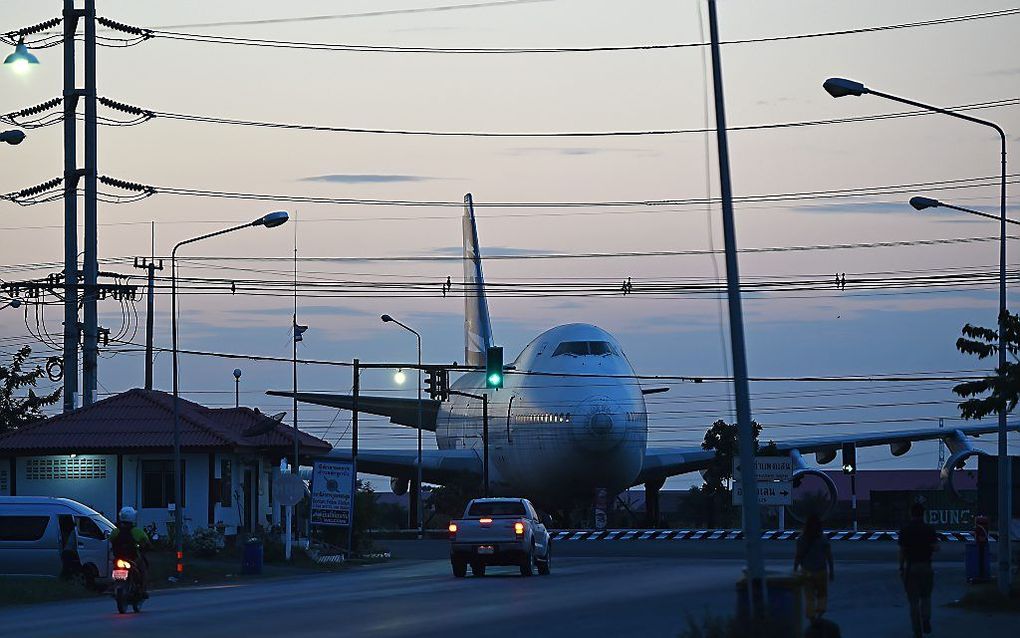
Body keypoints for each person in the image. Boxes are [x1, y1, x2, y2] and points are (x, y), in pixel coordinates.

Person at [899, 502, 938, 637]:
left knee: (913, 601)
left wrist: (901, 568)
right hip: (926, 566)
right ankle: (926, 619)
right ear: (923, 514)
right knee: (926, 597)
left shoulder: (905, 530)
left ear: (911, 513)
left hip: (911, 567)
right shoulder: (929, 529)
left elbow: (902, 552)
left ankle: (917, 630)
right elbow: (936, 547)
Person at [794, 513, 834, 621]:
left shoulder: (801, 539)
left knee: (809, 596)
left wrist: (795, 569)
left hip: (806, 571)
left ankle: (811, 616)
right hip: (821, 570)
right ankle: (820, 612)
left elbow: (798, 556)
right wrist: (832, 571)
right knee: (822, 593)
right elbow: (829, 556)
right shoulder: (823, 539)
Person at [109, 506, 152, 598]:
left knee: (114, 568)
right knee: (143, 568)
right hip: (134, 558)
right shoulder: (137, 532)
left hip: (118, 558)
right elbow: (146, 542)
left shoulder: (115, 531)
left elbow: (110, 540)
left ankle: (114, 587)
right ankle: (143, 590)